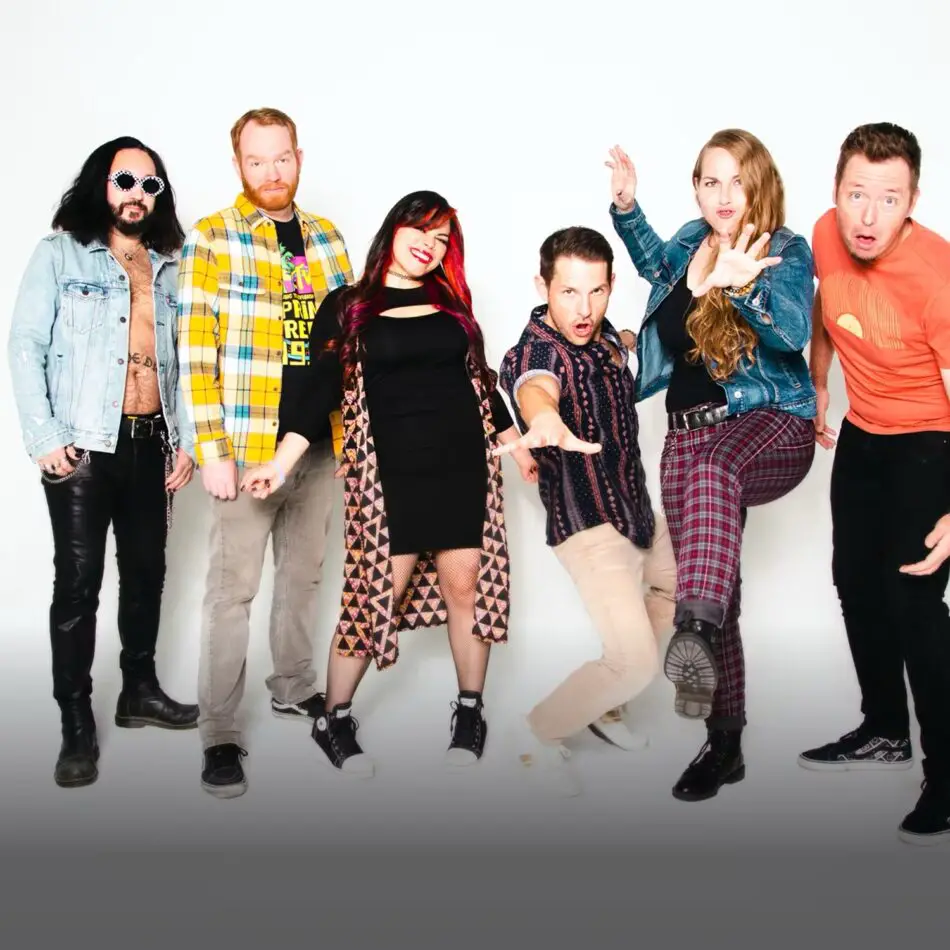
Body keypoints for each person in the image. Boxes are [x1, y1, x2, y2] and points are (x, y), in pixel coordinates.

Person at [241, 190, 536, 776]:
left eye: (442, 239)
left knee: (464, 588)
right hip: (390, 478)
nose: (430, 245)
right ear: (393, 230)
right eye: (420, 230)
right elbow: (317, 389)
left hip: (461, 467)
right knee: (374, 598)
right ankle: (333, 716)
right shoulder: (349, 305)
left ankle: (470, 709)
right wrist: (281, 461)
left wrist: (513, 441)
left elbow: (478, 377)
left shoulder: (451, 301)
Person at [606, 132, 817, 802]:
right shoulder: (691, 241)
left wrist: (741, 282)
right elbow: (655, 269)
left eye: (737, 182)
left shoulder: (782, 250)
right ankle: (725, 747)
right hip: (686, 438)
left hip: (770, 422)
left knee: (714, 482)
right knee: (720, 583)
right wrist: (628, 209)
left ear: (759, 185)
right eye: (710, 182)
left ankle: (689, 628)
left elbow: (791, 333)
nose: (724, 197)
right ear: (696, 189)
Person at [8, 137, 199, 789]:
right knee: (79, 585)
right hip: (84, 447)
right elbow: (25, 343)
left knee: (148, 571)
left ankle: (138, 690)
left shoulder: (172, 265)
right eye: (126, 181)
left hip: (152, 442)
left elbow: (191, 359)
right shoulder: (60, 254)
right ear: (101, 184)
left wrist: (189, 441)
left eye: (152, 186)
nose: (138, 195)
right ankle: (76, 724)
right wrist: (43, 436)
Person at [176, 108, 353, 799]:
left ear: (299, 158)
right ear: (238, 165)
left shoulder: (330, 240)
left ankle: (292, 685)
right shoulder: (213, 239)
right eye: (257, 161)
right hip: (245, 447)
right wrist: (211, 449)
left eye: (282, 159)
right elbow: (195, 350)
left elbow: (347, 343)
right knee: (231, 593)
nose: (272, 173)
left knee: (303, 577)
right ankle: (219, 732)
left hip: (317, 445)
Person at [799, 122, 950, 846]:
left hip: (932, 442)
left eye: (887, 199)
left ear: (912, 200)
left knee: (915, 603)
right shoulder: (827, 234)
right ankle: (885, 729)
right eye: (856, 194)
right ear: (836, 193)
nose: (867, 215)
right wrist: (820, 380)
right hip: (865, 433)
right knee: (855, 581)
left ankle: (946, 777)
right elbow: (830, 310)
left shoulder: (939, 276)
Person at [495, 226, 677, 797]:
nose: (583, 307)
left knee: (676, 592)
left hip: (637, 508)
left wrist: (623, 334)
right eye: (569, 292)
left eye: (596, 292)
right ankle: (533, 733)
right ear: (542, 286)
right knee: (634, 661)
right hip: (588, 524)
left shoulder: (602, 338)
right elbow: (534, 384)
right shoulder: (533, 350)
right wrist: (542, 416)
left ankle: (606, 708)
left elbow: (617, 342)